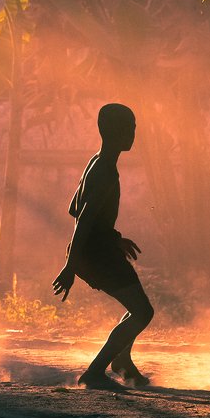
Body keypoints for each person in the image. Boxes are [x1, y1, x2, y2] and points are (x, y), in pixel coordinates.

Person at [53, 103, 154, 391]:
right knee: (142, 312)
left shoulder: (95, 162)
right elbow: (83, 220)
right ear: (116, 131)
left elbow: (75, 210)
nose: (134, 133)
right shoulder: (106, 171)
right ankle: (95, 372)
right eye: (130, 128)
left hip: (95, 249)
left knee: (138, 309)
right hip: (94, 254)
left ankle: (122, 361)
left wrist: (113, 238)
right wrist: (71, 266)